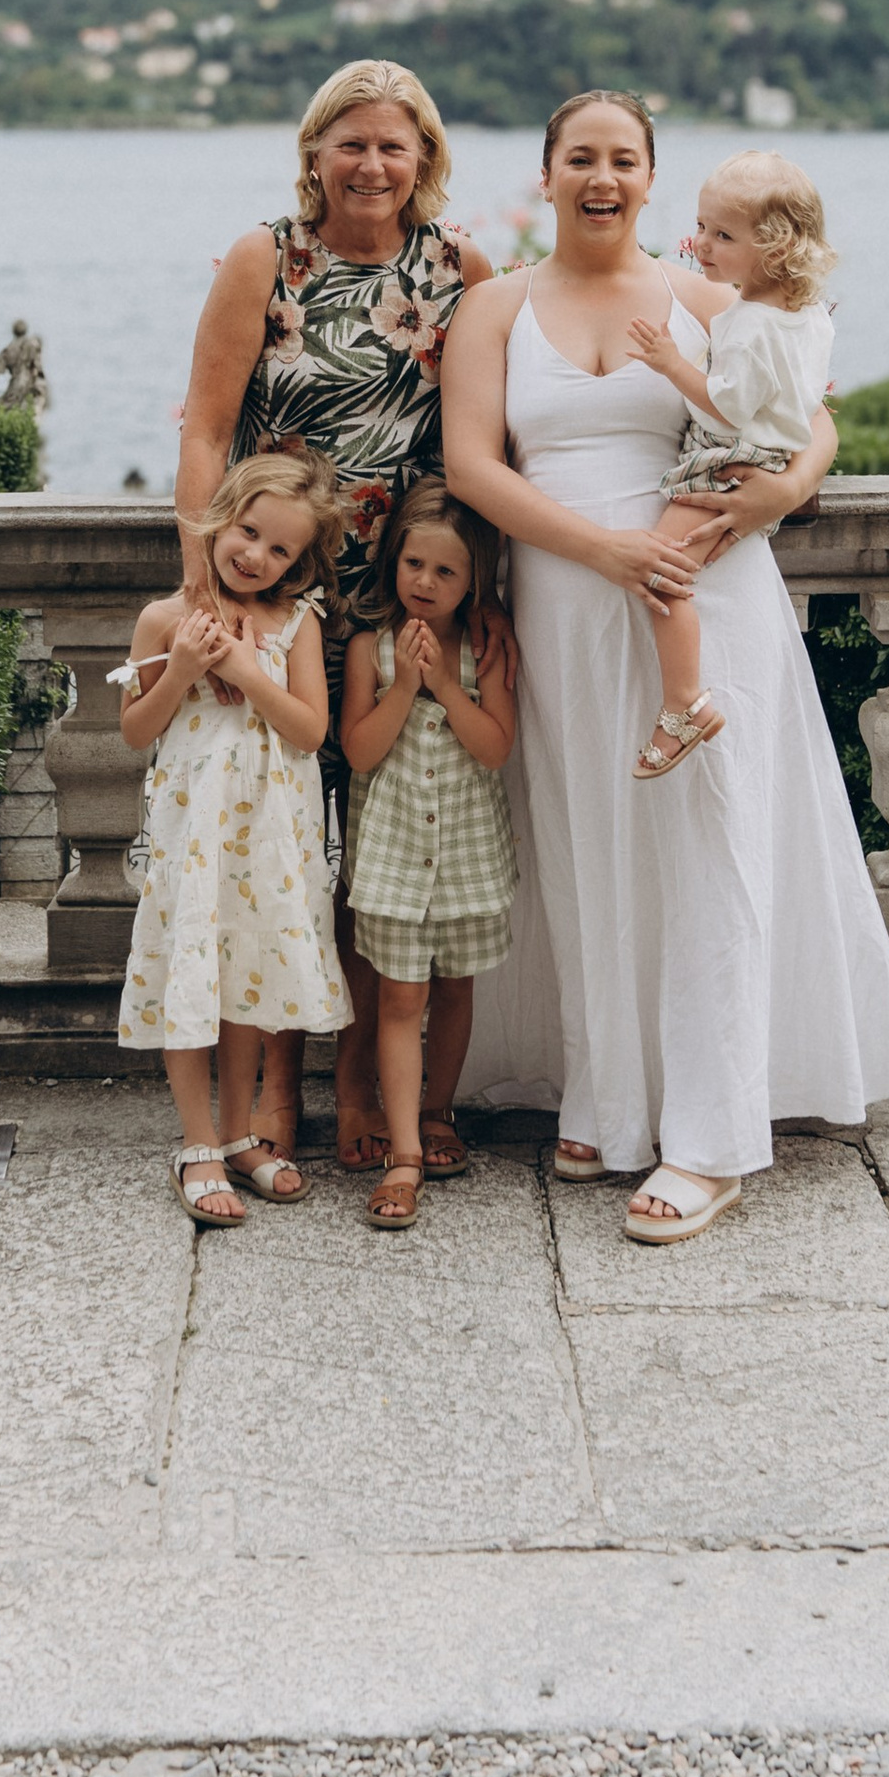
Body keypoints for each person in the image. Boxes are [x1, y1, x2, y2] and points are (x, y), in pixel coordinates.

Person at [444, 90, 889, 1246]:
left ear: (650, 180)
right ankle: (607, 1099)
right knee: (587, 848)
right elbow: (472, 467)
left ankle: (709, 1140)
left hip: (704, 602)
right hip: (566, 603)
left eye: (623, 159)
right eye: (580, 158)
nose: (600, 177)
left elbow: (806, 412)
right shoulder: (494, 308)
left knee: (708, 849)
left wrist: (780, 489)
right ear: (549, 173)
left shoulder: (705, 295)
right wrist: (603, 548)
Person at [174, 59, 501, 1167]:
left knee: (375, 851)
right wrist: (205, 587)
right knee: (278, 843)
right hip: (282, 587)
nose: (371, 163)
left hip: (407, 594)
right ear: (314, 153)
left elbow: (501, 430)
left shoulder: (462, 267)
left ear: (425, 160)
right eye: (350, 142)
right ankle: (275, 1080)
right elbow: (204, 430)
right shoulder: (265, 257)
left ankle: (367, 1076)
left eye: (393, 145)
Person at [113, 454, 349, 1225]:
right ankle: (198, 1143)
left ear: (301, 561)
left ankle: (242, 1128)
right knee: (191, 972)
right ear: (222, 518)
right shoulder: (163, 619)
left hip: (268, 838)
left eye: (280, 550)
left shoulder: (297, 624)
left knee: (247, 978)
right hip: (196, 839)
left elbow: (312, 731)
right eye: (249, 533)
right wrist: (181, 669)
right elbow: (135, 731)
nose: (256, 556)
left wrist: (249, 672)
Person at [337, 477, 519, 1232]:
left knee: (454, 991)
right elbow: (359, 751)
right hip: (393, 856)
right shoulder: (368, 650)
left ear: (474, 577)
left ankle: (439, 1112)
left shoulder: (486, 649)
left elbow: (495, 749)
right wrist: (405, 685)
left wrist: (446, 682)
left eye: (446, 572)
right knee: (397, 999)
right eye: (415, 565)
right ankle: (404, 1153)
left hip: (469, 854)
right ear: (395, 563)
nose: (426, 583)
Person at [624, 148, 837, 782]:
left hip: (726, 462)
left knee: (661, 574)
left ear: (772, 248)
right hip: (772, 460)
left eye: (722, 234)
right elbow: (800, 407)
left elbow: (730, 403)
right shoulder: (807, 318)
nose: (700, 243)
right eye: (700, 226)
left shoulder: (745, 322)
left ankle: (683, 704)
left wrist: (670, 363)